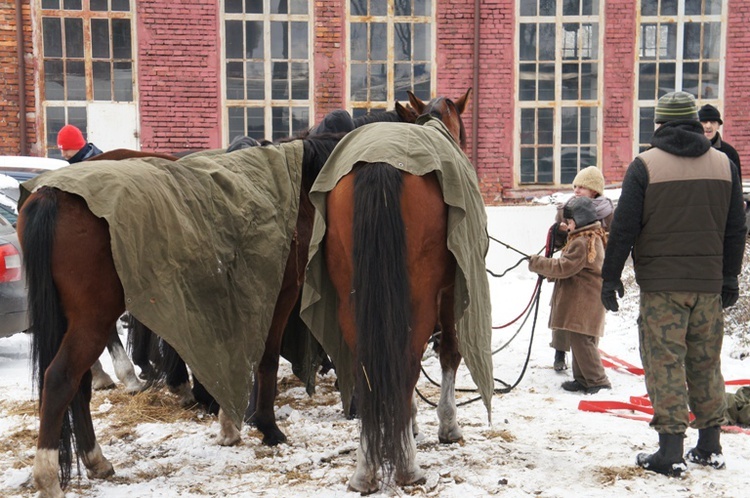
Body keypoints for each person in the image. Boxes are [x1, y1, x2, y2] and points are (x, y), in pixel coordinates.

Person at [601, 91, 746, 477]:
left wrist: (610, 276)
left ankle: (670, 451)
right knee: (706, 363)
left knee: (664, 363)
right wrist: (729, 275)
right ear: (698, 124)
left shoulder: (644, 165)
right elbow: (737, 229)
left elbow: (624, 228)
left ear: (660, 124)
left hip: (662, 287)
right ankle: (710, 445)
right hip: (708, 285)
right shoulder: (724, 164)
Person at [529, 196, 611, 394]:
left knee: (583, 342)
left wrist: (537, 263)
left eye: (569, 221)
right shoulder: (586, 236)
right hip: (584, 301)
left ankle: (598, 381)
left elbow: (564, 267)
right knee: (579, 339)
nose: (566, 225)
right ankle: (583, 379)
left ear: (581, 219)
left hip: (583, 302)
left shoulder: (583, 242)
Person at [550, 166, 614, 371]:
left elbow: (613, 240)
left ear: (594, 191)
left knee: (589, 316)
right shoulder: (565, 209)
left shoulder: (607, 212)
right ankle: (559, 353)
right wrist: (559, 233)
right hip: (571, 265)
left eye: (582, 187)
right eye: (575, 186)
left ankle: (588, 359)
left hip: (594, 269)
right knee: (562, 310)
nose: (576, 190)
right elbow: (557, 242)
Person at [699, 104, 742, 181]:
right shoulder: (690, 150)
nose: (708, 126)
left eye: (713, 122)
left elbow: (737, 187)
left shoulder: (729, 153)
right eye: (704, 122)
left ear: (718, 126)